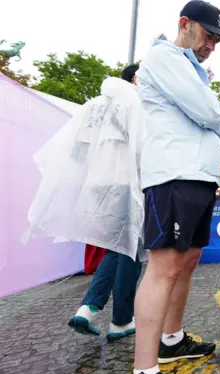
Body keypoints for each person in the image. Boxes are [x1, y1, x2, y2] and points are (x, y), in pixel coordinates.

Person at [120, 0, 220, 374]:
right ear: (184, 25)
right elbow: (210, 112)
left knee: (187, 261)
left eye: (218, 39)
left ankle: (171, 340)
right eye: (209, 35)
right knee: (165, 266)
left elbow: (210, 117)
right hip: (173, 174)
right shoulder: (164, 57)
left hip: (197, 175)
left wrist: (212, 117)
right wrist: (214, 115)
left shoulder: (189, 67)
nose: (212, 46)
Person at [22, 64, 146, 342]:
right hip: (127, 184)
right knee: (129, 249)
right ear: (135, 79)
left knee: (117, 248)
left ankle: (92, 309)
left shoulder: (92, 106)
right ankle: (117, 319)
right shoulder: (134, 103)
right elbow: (143, 147)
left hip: (96, 184)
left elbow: (73, 148)